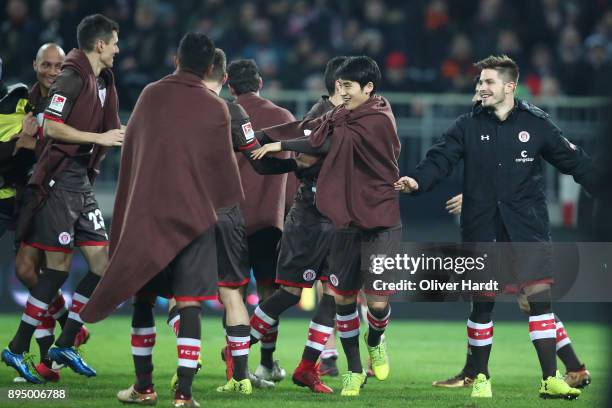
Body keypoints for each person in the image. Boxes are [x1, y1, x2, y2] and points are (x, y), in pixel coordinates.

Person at [396, 55, 592, 399]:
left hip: (526, 228)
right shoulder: (466, 125)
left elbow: (575, 163)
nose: (481, 88)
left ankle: (551, 378)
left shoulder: (538, 124)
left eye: (488, 82)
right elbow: (439, 158)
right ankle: (480, 376)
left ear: (509, 87)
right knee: (482, 303)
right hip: (482, 228)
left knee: (538, 300)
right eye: (479, 82)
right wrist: (417, 180)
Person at [82, 32, 240, 408]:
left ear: (176, 60)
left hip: (149, 217)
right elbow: (225, 176)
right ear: (208, 68)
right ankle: (184, 396)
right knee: (190, 305)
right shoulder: (215, 107)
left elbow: (132, 154)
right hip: (196, 220)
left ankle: (144, 388)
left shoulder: (151, 94)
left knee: (144, 301)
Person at [251, 56, 401, 397]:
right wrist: (257, 140)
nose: (343, 92)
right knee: (335, 295)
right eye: (341, 86)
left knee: (373, 304)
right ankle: (346, 369)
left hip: (377, 218)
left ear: (368, 89)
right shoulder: (332, 115)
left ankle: (375, 339)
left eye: (349, 86)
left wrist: (282, 146)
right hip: (333, 217)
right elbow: (309, 141)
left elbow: (319, 145)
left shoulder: (378, 116)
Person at [162, 47, 302, 396]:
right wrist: (298, 169)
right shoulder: (264, 113)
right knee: (254, 293)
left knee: (190, 293)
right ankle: (256, 366)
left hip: (198, 213)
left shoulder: (187, 109)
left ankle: (190, 365)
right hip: (255, 220)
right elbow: (265, 162)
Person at [1, 14, 123, 383]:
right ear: (100, 44)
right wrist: (99, 139)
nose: (118, 49)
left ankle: (65, 341)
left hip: (79, 180)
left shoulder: (100, 79)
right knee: (52, 270)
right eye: (115, 42)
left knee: (102, 265)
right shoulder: (72, 76)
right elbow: (52, 127)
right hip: (55, 183)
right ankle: (20, 349)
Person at [247, 56, 347, 394]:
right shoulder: (318, 118)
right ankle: (240, 348)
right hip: (309, 217)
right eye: (350, 85)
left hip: (337, 217)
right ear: (339, 87)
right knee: (290, 293)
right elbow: (302, 159)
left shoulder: (349, 118)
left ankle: (308, 367)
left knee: (334, 294)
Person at [226, 58, 296, 383]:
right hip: (269, 220)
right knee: (269, 292)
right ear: (260, 83)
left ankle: (235, 368)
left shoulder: (221, 114)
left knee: (232, 295)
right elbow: (296, 177)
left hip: (229, 219)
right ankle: (266, 363)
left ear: (230, 86)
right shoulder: (283, 117)